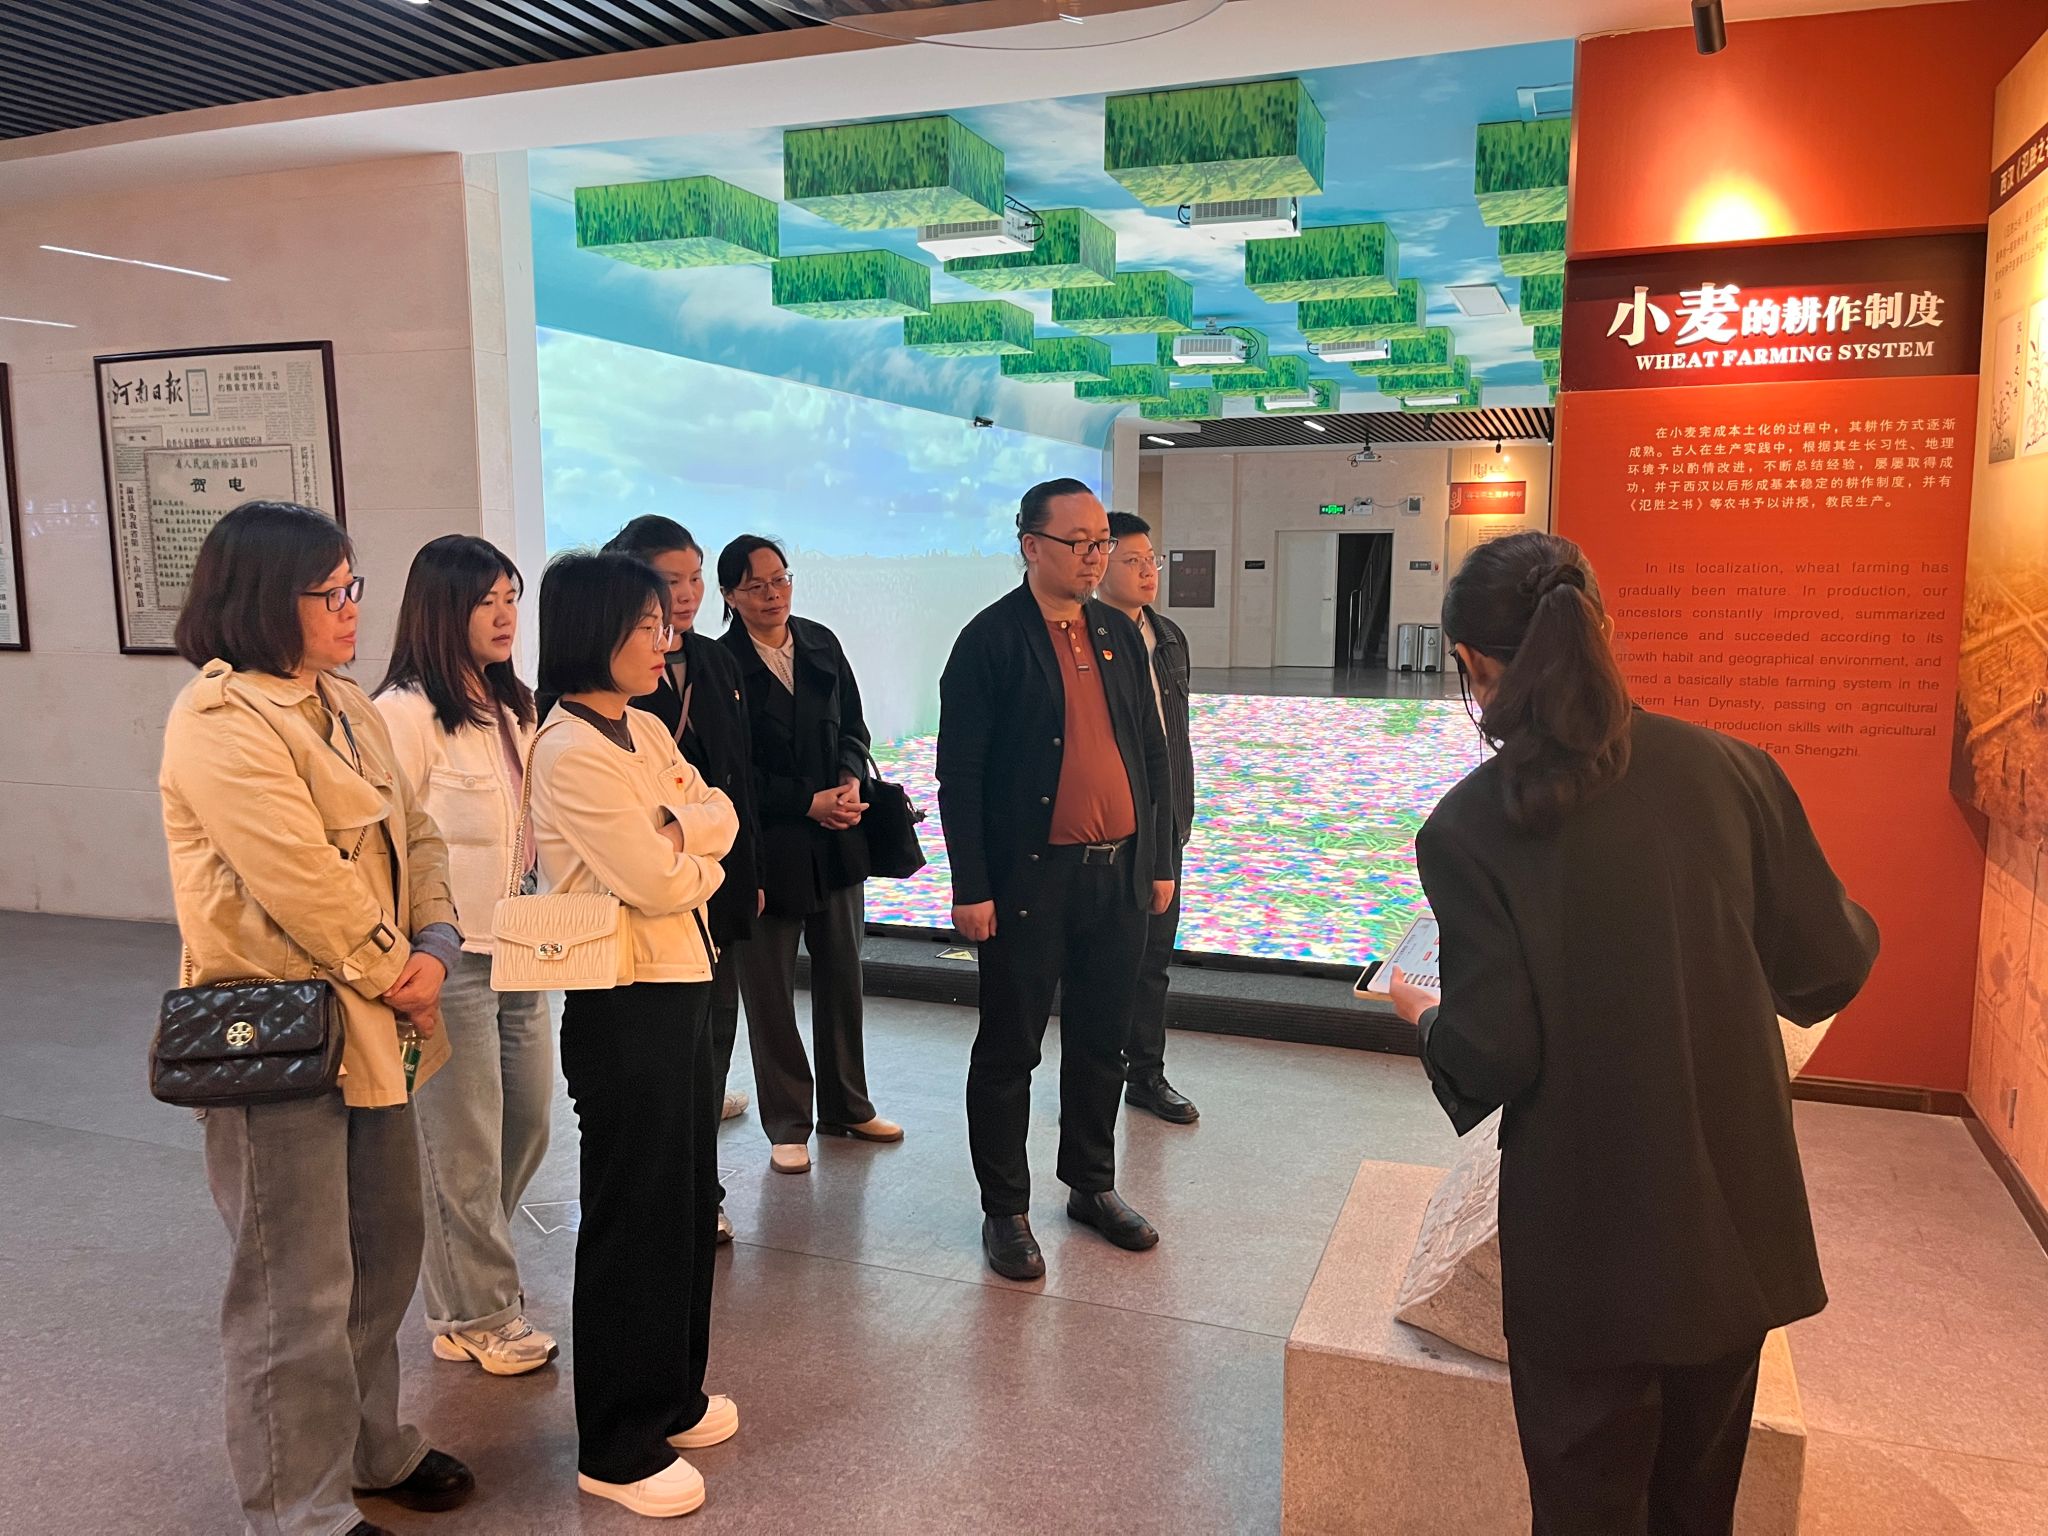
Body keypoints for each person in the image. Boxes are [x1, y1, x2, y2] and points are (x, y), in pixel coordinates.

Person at [1387, 531, 1879, 1535]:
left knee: (1584, 1504)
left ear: (1469, 665)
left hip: (1586, 1243)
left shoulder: (1469, 827)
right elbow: (1829, 965)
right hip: (1731, 1220)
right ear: (1602, 628)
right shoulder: (1734, 771)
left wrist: (1421, 1013)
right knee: (1698, 1503)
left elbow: (1494, 1052)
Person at [159, 501, 475, 1536]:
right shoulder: (218, 719)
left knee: (383, 1253)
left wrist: (435, 939)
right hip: (281, 1036)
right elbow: (300, 876)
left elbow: (416, 833)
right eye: (330, 592)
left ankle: (370, 1447)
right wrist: (397, 968)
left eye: (353, 588)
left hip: (379, 1021)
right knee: (291, 1284)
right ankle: (299, 1508)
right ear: (263, 598)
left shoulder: (343, 703)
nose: (351, 609)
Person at [531, 551, 739, 1519]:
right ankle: (615, 1446)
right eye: (649, 626)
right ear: (597, 631)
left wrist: (683, 834)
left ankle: (671, 1397)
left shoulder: (645, 726)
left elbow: (718, 812)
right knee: (632, 1218)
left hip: (682, 980)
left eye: (666, 624)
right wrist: (694, 852)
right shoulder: (566, 748)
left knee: (684, 1201)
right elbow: (655, 879)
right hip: (622, 1001)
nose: (667, 640)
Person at [937, 479, 1176, 1281]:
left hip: (1119, 875)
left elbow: (1151, 754)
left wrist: (1159, 860)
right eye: (1079, 542)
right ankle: (1004, 1208)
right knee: (1011, 1049)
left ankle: (1091, 1185)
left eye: (1101, 541)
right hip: (1029, 883)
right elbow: (960, 775)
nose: (1094, 556)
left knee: (1103, 1040)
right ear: (1031, 545)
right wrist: (971, 887)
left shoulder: (1116, 633)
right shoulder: (990, 640)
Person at [374, 535, 555, 1376]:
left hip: (523, 946)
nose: (506, 616)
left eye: (511, 598)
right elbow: (388, 846)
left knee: (528, 1125)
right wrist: (412, 952)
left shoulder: (515, 707)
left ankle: (463, 1277)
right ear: (442, 609)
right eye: (487, 602)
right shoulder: (403, 714)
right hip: (450, 958)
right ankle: (480, 1312)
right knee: (464, 1144)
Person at [717, 534, 900, 1175]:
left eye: (781, 579)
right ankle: (788, 1121)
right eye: (756, 585)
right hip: (767, 848)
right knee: (769, 991)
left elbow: (855, 727)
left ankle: (848, 1106)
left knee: (843, 976)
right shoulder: (721, 664)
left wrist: (848, 780)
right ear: (730, 596)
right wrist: (807, 801)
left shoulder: (820, 642)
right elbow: (729, 770)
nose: (773, 594)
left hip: (837, 839)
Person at [604, 515, 762, 1245]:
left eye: (696, 578)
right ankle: (681, 1197)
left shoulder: (716, 660)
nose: (689, 594)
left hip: (718, 881)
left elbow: (734, 785)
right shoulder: (605, 687)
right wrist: (694, 830)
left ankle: (706, 1189)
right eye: (672, 582)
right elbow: (651, 829)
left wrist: (748, 870)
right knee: (661, 1066)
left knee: (713, 1043)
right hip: (651, 903)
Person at [1096, 510, 1199, 1125]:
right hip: (1109, 823)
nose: (1147, 572)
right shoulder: (1086, 637)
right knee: (1105, 960)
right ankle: (1096, 1074)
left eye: (1151, 560)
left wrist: (1179, 813)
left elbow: (1174, 737)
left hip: (1167, 820)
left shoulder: (1170, 637)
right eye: (1131, 561)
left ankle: (1146, 1075)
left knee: (1155, 957)